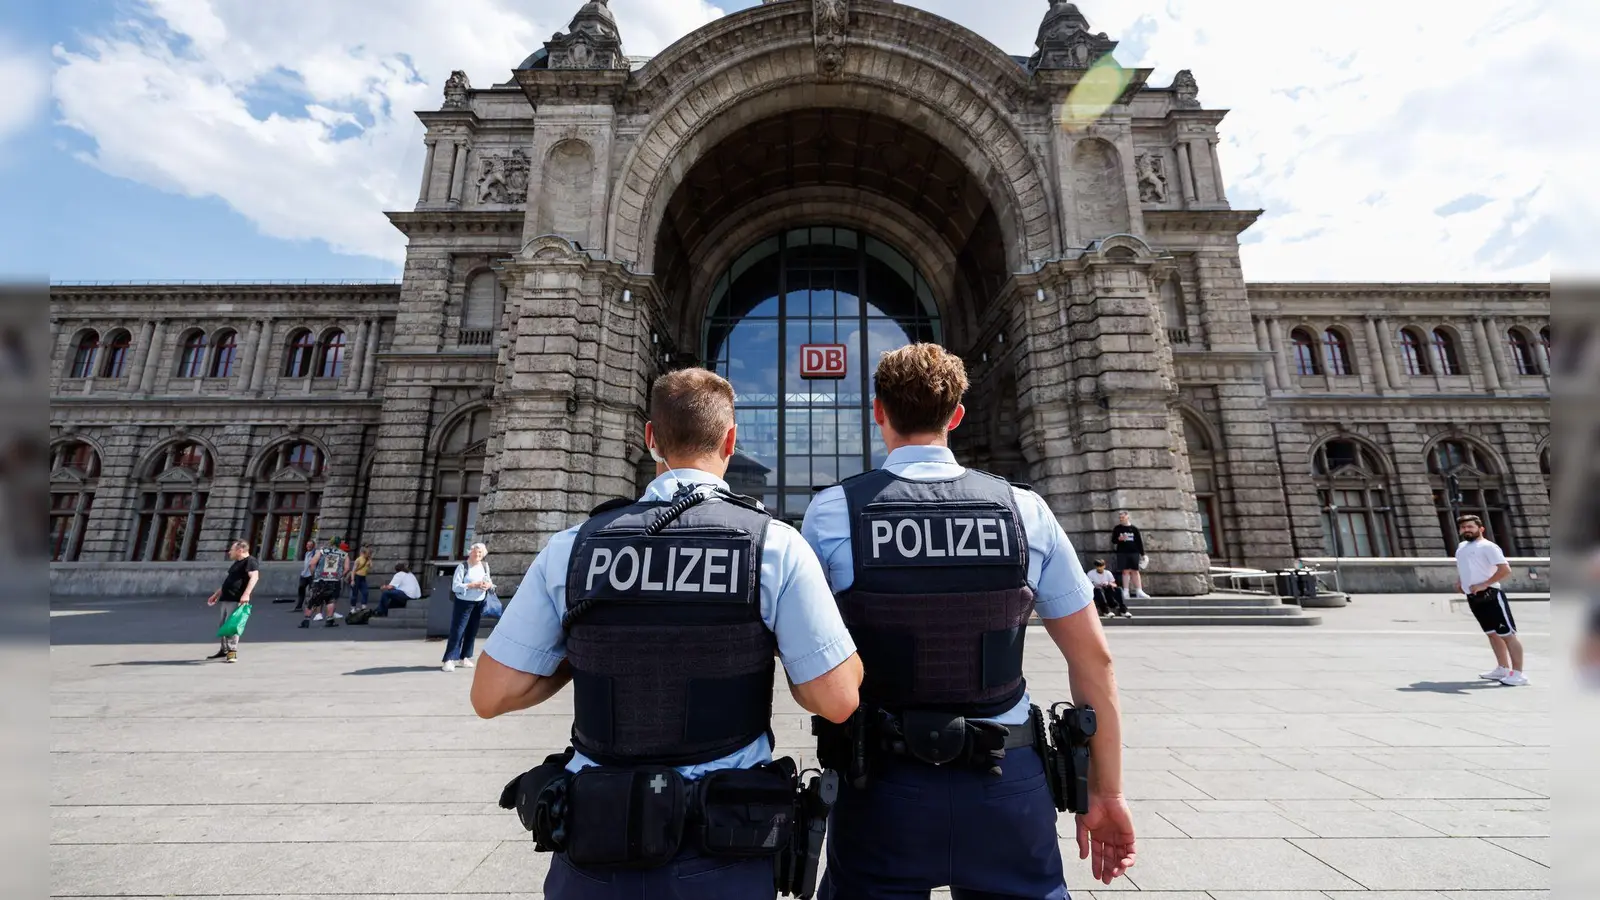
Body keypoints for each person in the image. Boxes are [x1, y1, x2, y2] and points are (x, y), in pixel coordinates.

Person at [470, 366, 863, 900]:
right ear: (730, 439)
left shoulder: (574, 547)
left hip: (595, 846)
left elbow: (492, 695)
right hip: (725, 845)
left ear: (650, 439)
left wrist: (583, 647)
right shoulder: (773, 544)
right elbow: (836, 700)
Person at [801, 343, 1136, 898]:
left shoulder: (833, 511)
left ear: (878, 411)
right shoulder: (1024, 509)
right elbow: (1094, 659)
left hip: (880, 785)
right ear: (956, 415)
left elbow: (814, 665)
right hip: (1007, 779)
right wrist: (1107, 792)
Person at [1454, 514, 1526, 686]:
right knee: (1492, 634)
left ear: (1481, 529)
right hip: (1473, 596)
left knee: (1508, 634)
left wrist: (1485, 584)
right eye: (1464, 527)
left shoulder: (1488, 547)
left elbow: (1505, 570)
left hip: (1492, 595)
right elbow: (1466, 567)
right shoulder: (1462, 547)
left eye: (1470, 527)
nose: (1466, 530)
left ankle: (1518, 674)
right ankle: (1502, 668)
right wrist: (1460, 581)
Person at [442, 543, 493, 671]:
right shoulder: (462, 566)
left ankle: (465, 657)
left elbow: (489, 581)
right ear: (470, 553)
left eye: (480, 553)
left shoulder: (485, 566)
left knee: (472, 631)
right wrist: (472, 585)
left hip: (479, 601)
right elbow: (456, 586)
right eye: (475, 552)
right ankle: (449, 659)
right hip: (464, 602)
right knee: (458, 630)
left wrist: (488, 585)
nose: (477, 555)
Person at [206, 539, 258, 662]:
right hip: (226, 597)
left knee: (232, 626)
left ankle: (232, 652)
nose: (229, 552)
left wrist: (246, 595)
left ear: (240, 550)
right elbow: (229, 581)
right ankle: (224, 650)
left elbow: (254, 577)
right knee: (223, 625)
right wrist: (217, 594)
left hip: (237, 598)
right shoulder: (236, 563)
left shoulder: (250, 561)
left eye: (232, 549)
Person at [300, 537, 349, 629]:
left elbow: (312, 563)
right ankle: (329, 620)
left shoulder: (322, 551)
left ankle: (306, 620)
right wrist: (340, 575)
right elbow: (346, 568)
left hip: (320, 579)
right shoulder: (344, 554)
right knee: (331, 600)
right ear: (339, 544)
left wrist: (314, 574)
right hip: (334, 579)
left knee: (313, 600)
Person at [1111, 512, 1150, 601]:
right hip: (1122, 552)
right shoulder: (1117, 529)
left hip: (1134, 552)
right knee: (1125, 571)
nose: (1121, 519)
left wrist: (1143, 554)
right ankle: (1126, 590)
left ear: (1127, 517)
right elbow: (1113, 540)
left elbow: (1139, 542)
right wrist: (1119, 539)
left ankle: (1139, 590)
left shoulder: (1134, 529)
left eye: (1123, 517)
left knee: (1135, 571)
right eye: (1120, 517)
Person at [293, 538, 317, 611]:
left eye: (310, 545)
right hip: (304, 574)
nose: (308, 546)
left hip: (311, 575)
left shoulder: (315, 553)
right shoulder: (306, 553)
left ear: (313, 546)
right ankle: (299, 606)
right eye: (307, 545)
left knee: (312, 591)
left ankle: (312, 606)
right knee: (301, 588)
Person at [349, 545, 374, 612]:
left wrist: (370, 559)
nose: (369, 554)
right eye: (368, 553)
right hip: (357, 577)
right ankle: (353, 607)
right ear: (363, 553)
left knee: (365, 592)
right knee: (355, 594)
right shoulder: (359, 559)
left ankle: (363, 606)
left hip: (363, 578)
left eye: (370, 554)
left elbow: (371, 566)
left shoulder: (367, 559)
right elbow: (353, 570)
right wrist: (352, 580)